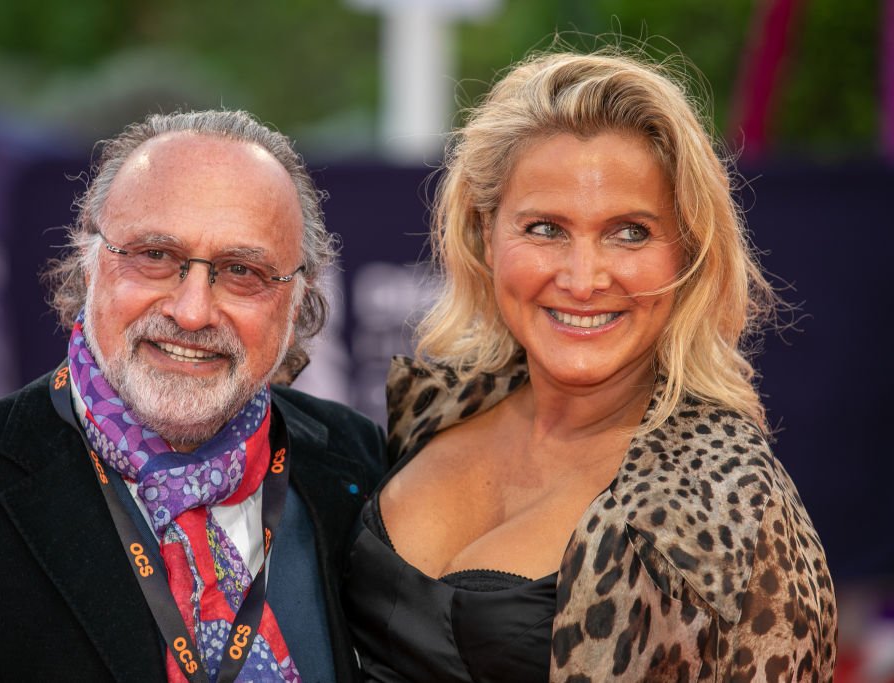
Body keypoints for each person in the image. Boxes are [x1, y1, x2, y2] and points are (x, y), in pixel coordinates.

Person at [343, 48, 837, 681]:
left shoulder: (734, 504)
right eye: (546, 228)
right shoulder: (434, 410)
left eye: (630, 232)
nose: (582, 279)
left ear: (687, 254)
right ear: (485, 235)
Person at [0, 109, 386, 682]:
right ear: (88, 263)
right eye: (155, 256)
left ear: (298, 300)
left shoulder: (355, 460)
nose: (191, 312)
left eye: (242, 271)